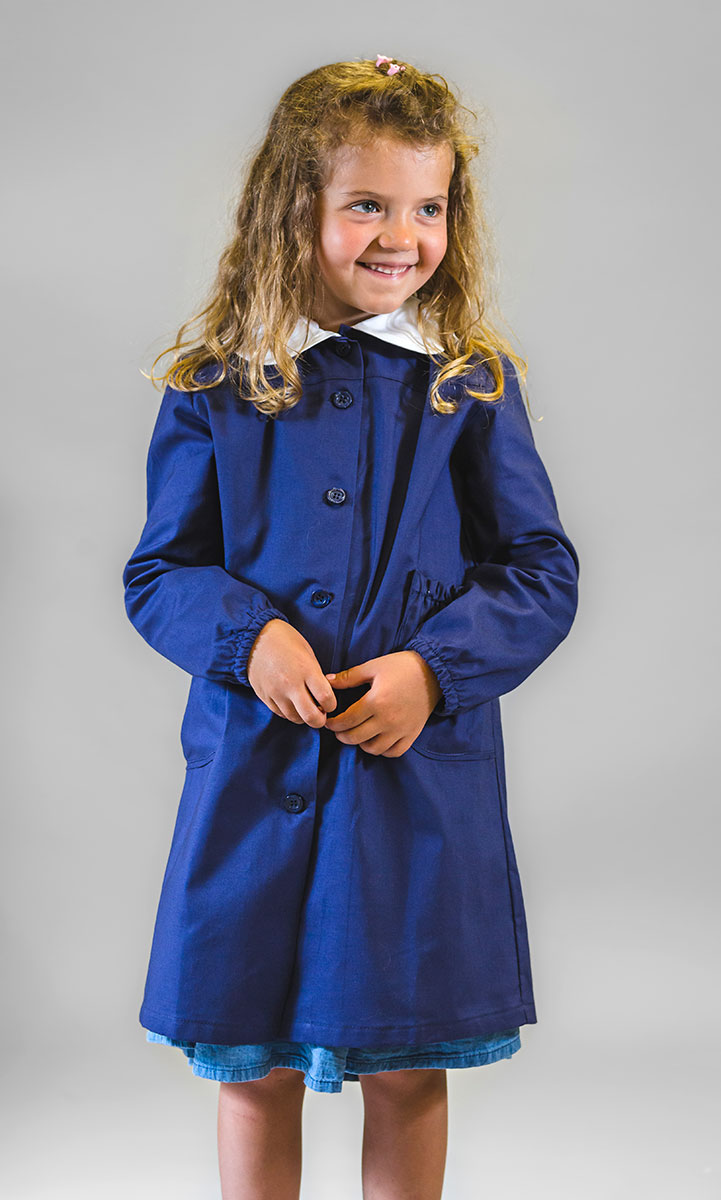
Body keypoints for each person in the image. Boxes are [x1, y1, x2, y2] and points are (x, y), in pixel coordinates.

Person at [122, 53, 580, 1200]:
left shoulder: (469, 384)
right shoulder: (214, 383)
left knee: (409, 1066)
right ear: (295, 207)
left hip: (414, 780)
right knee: (253, 1065)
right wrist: (247, 638)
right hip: (253, 770)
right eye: (368, 203)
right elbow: (161, 571)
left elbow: (540, 570)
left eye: (429, 207)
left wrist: (435, 669)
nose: (402, 236)